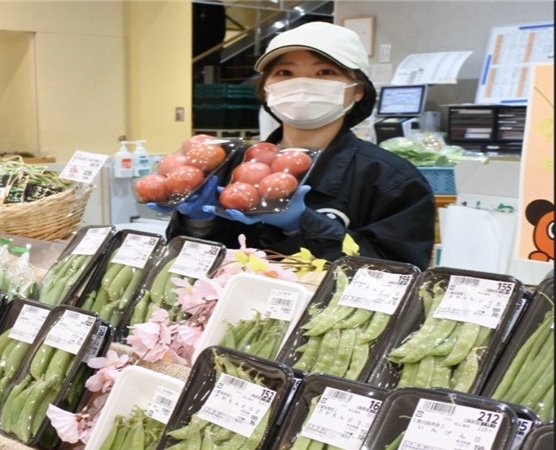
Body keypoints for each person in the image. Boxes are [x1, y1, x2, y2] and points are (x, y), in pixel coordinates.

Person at [157, 21, 436, 271]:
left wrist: (302, 223)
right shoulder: (230, 165)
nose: (302, 84)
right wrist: (197, 223)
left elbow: (396, 277)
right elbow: (188, 270)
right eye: (285, 72)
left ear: (358, 89)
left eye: (325, 72)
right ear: (266, 88)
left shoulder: (391, 180)